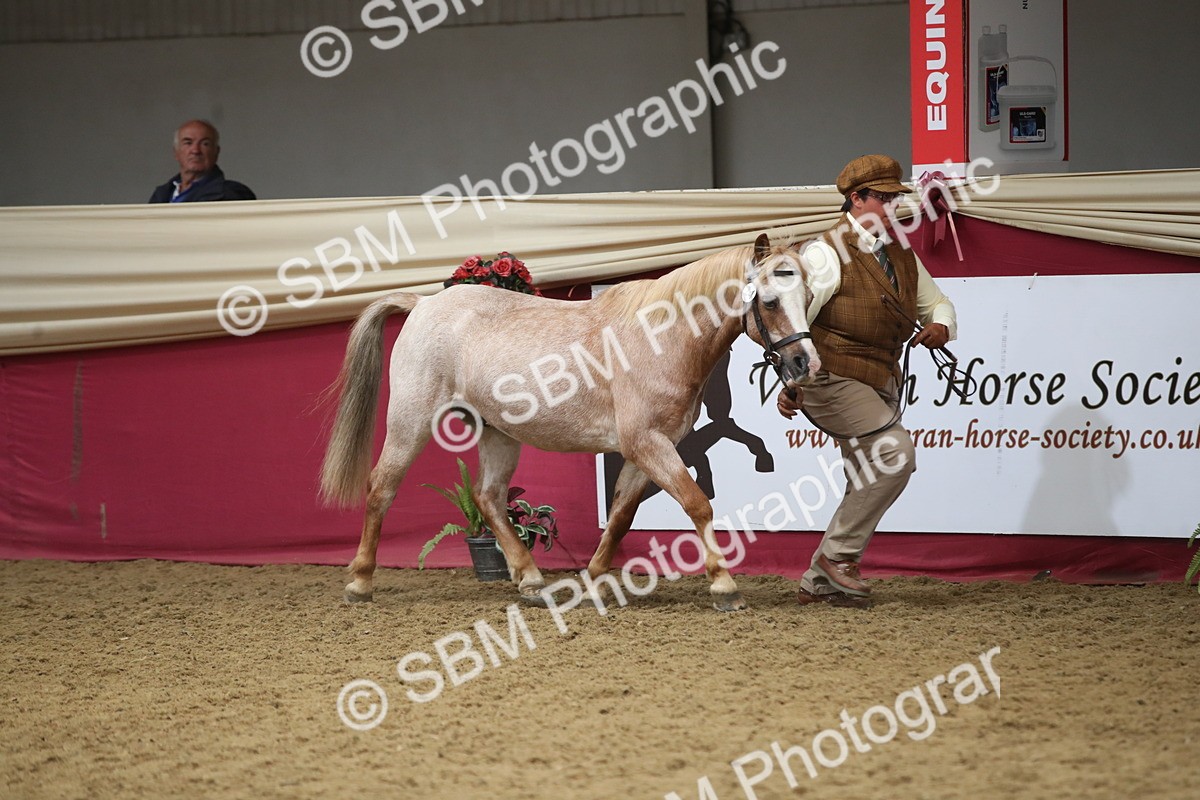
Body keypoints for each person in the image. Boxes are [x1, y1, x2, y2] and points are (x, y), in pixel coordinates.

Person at [778, 154, 957, 609]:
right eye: (884, 197)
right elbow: (800, 323)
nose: (893, 205)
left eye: (896, 197)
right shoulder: (824, 253)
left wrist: (940, 326)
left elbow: (937, 304)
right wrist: (792, 384)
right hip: (832, 376)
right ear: (856, 199)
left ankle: (819, 582)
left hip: (881, 377)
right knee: (895, 456)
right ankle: (839, 557)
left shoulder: (900, 252)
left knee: (868, 473)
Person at [149, 120, 256, 203]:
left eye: (205, 144)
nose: (195, 150)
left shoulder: (232, 194)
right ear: (176, 152)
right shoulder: (162, 194)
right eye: (188, 143)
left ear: (216, 152)